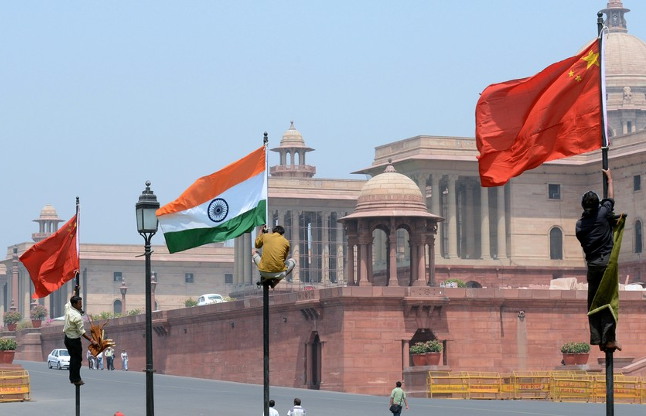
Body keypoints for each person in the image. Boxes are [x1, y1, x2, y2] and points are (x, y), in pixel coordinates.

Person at [575, 169, 622, 352]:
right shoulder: (603, 214)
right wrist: (610, 179)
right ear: (597, 204)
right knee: (609, 300)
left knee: (594, 302)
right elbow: (610, 198)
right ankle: (609, 339)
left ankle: (597, 338)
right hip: (607, 264)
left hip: (593, 266)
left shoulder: (580, 226)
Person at [63, 294, 97, 386]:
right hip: (74, 340)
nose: (81, 306)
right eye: (79, 304)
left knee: (73, 359)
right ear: (74, 304)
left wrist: (75, 290)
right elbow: (82, 332)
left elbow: (69, 302)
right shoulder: (77, 316)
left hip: (67, 338)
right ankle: (76, 379)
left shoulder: (68, 307)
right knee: (77, 360)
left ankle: (72, 378)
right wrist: (92, 340)